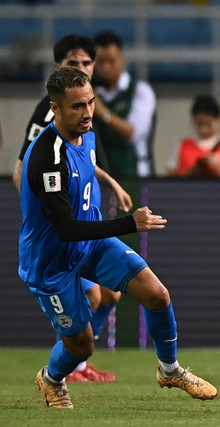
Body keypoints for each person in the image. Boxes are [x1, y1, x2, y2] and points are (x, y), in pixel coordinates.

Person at [21, 67, 217, 409]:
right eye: (77, 107)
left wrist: (109, 181)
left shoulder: (87, 134)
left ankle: (170, 370)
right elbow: (65, 229)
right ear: (55, 108)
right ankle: (51, 379)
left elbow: (86, 165)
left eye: (90, 103)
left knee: (157, 295)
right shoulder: (47, 158)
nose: (87, 113)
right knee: (82, 346)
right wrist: (129, 224)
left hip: (92, 246)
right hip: (51, 261)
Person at [12, 33, 120, 383]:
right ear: (59, 68)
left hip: (82, 225)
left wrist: (112, 183)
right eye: (75, 64)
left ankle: (79, 363)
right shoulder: (50, 113)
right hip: (63, 233)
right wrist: (43, 214)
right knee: (93, 296)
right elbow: (24, 169)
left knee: (110, 295)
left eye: (88, 63)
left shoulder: (83, 108)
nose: (84, 69)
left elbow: (85, 162)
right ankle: (73, 363)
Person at [92, 30, 156, 178]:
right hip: (101, 177)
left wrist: (103, 113)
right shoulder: (92, 93)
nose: (106, 67)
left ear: (121, 59)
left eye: (111, 61)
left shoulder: (140, 91)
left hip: (135, 175)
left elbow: (134, 133)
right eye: (101, 62)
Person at [168, 94, 220, 178]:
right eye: (199, 123)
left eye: (208, 124)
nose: (203, 129)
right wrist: (193, 172)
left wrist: (218, 169)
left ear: (218, 120)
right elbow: (170, 178)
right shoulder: (182, 145)